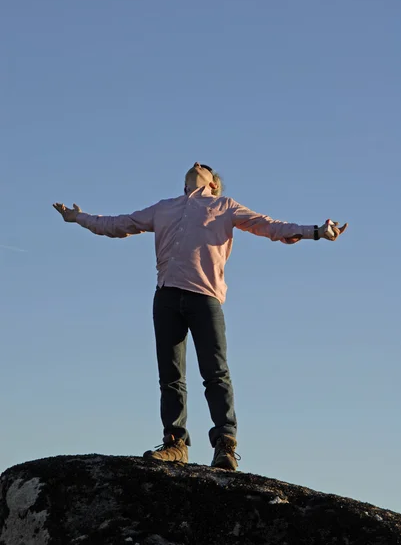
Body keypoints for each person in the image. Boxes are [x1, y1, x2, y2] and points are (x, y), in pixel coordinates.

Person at [53, 162, 347, 471]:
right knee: (170, 376)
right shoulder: (164, 208)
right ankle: (175, 444)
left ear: (214, 184)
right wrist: (78, 218)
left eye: (204, 167)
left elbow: (270, 226)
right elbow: (118, 225)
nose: (196, 164)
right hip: (165, 296)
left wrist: (316, 232)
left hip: (205, 298)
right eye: (194, 165)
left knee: (215, 372)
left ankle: (225, 446)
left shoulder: (224, 206)